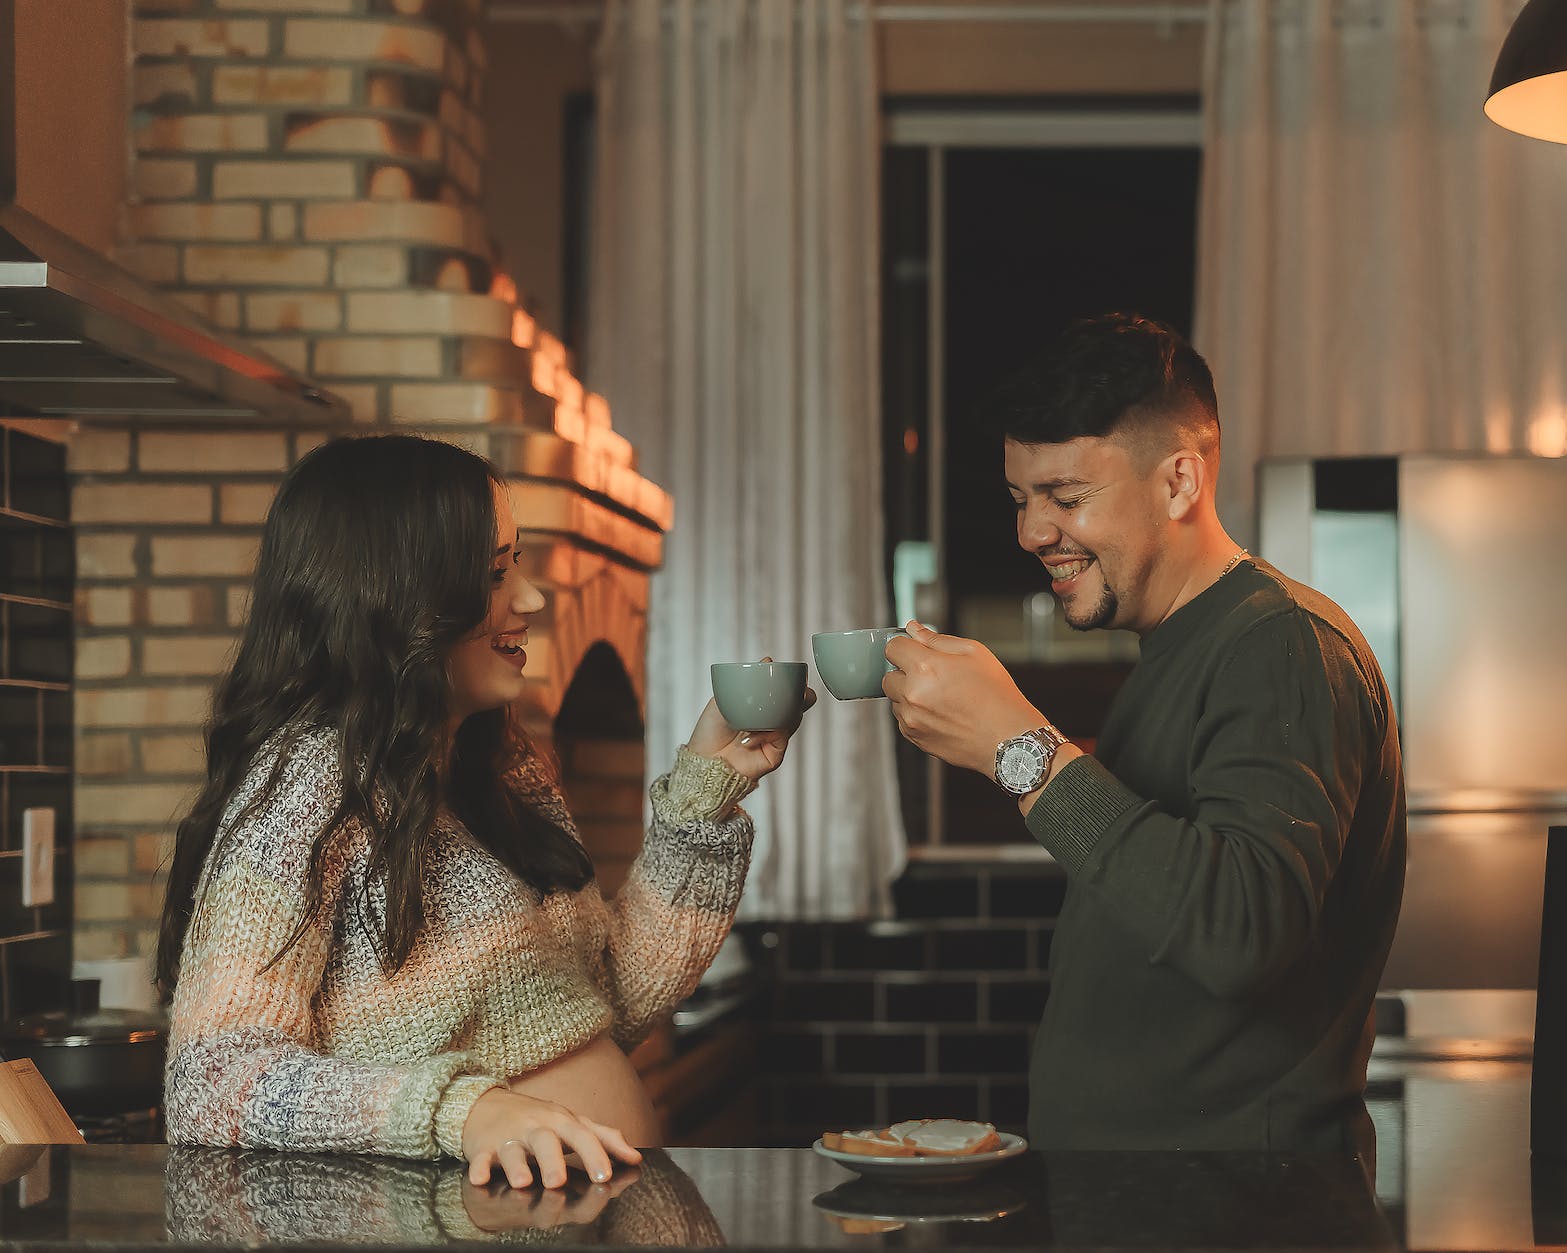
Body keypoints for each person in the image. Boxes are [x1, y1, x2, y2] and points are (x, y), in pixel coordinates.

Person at [156, 434, 810, 1188]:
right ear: (397, 594)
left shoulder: (495, 762)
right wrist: (460, 1113)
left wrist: (704, 792)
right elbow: (210, 1083)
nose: (529, 599)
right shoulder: (310, 782)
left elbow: (606, 999)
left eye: (519, 562)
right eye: (494, 573)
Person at [883, 314, 1405, 1153]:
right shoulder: (1175, 649)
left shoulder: (1283, 644)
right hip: (1152, 1203)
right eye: (1021, 500)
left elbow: (1240, 931)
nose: (1030, 533)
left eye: (1066, 497)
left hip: (1243, 1212)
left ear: (1179, 483)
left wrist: (1019, 747)